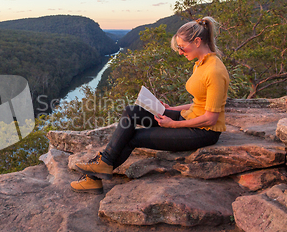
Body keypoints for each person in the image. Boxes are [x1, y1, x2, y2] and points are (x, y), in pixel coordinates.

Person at [71, 16, 230, 194]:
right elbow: (198, 103)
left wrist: (174, 124)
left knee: (134, 137)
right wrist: (171, 110)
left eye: (181, 47)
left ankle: (95, 176)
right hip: (189, 117)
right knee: (132, 111)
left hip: (203, 132)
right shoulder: (200, 64)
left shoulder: (215, 70)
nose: (179, 52)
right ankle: (104, 163)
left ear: (198, 41)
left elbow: (210, 118)